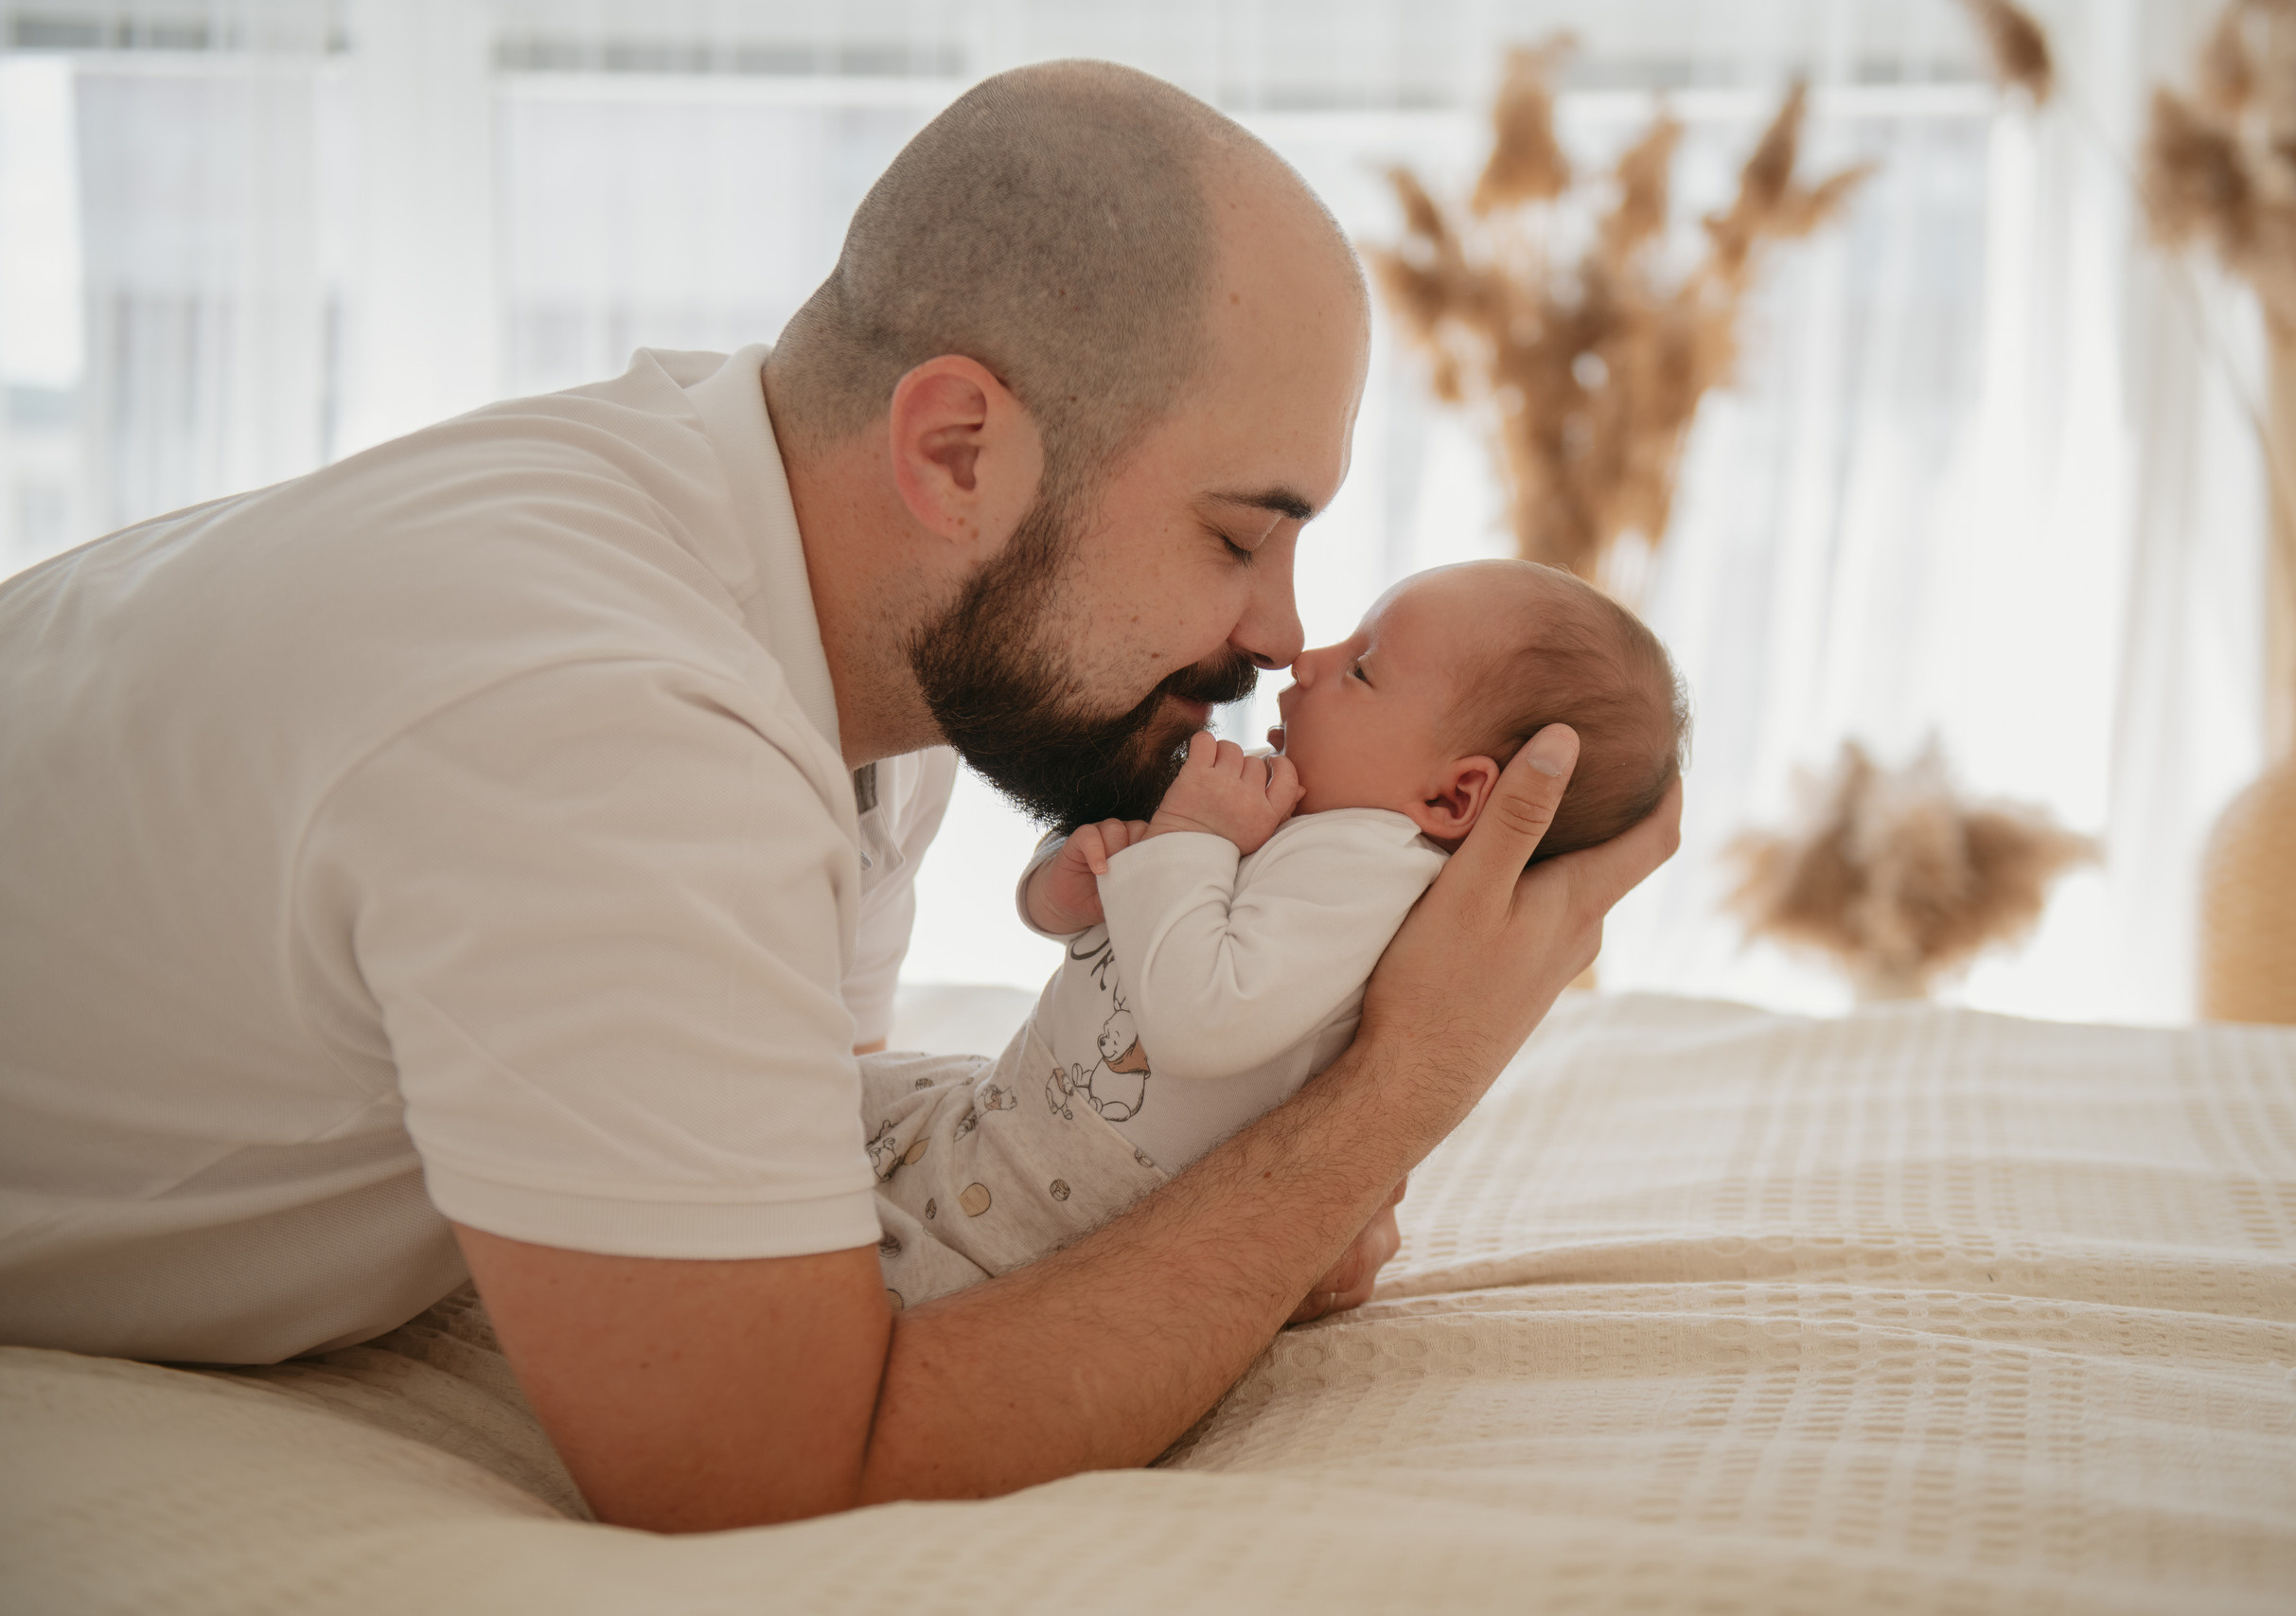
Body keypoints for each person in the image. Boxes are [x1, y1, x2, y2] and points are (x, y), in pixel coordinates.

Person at [0, 61, 1679, 1531]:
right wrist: (1390, 1097)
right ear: (956, 451)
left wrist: (1213, 1178)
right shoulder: (617, 725)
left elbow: (792, 1128)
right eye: (1237, 534)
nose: (1281, 634)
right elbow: (777, 1464)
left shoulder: (843, 602)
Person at [859, 559, 1688, 1307]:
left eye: (1360, 669)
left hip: (1039, 1218)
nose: (1306, 660)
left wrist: (1191, 834)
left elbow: (1201, 1015)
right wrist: (1067, 880)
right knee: (826, 1094)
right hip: (1003, 1110)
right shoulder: (1294, 801)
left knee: (870, 1267)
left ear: (1453, 797)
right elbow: (1128, 911)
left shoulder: (1373, 871)